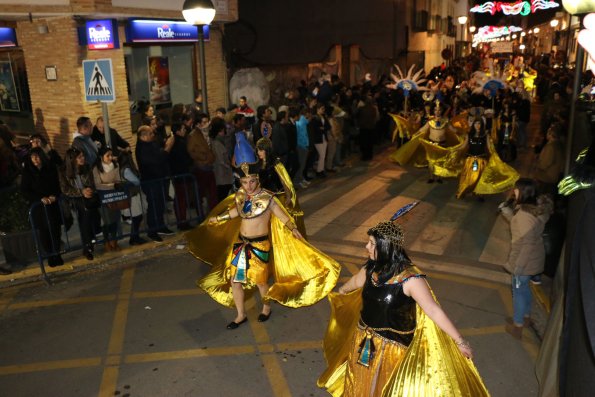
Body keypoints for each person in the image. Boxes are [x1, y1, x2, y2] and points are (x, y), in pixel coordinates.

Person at [318, 218, 489, 396]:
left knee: (383, 385)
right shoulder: (372, 267)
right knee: (361, 379)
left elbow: (433, 310)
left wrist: (459, 341)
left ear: (386, 247)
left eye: (371, 243)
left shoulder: (410, 279)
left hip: (393, 349)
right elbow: (357, 281)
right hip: (364, 339)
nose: (366, 247)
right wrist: (343, 290)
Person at [187, 133, 340, 329]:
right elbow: (237, 212)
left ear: (257, 179)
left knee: (260, 283)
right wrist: (220, 218)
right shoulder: (241, 196)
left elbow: (283, 216)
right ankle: (240, 314)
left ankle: (266, 307)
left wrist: (293, 229)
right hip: (241, 244)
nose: (248, 186)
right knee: (235, 280)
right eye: (244, 182)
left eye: (251, 181)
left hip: (259, 246)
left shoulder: (268, 198)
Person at [499, 178, 553, 339]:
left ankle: (517, 326)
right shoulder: (534, 209)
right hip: (535, 258)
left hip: (524, 262)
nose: (513, 191)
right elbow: (525, 229)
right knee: (525, 289)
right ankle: (526, 317)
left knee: (518, 292)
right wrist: (509, 214)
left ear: (522, 191)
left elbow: (526, 243)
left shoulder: (524, 214)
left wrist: (518, 267)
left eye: (516, 189)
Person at [456, 113, 519, 200]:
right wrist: (454, 150)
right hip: (470, 160)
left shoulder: (485, 135)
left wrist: (495, 157)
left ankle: (479, 194)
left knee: (480, 178)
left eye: (479, 124)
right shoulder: (469, 135)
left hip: (481, 160)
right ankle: (466, 191)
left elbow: (490, 148)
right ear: (473, 124)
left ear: (482, 125)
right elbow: (464, 145)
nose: (478, 125)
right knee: (468, 178)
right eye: (476, 123)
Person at [21, 147, 63, 267]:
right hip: (38, 207)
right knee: (44, 232)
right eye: (32, 156)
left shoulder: (50, 168)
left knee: (55, 230)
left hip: (52, 204)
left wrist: (54, 195)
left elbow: (57, 185)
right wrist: (39, 198)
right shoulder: (28, 171)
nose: (35, 159)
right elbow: (25, 190)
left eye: (37, 156)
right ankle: (50, 255)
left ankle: (57, 253)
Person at [255, 137, 306, 236]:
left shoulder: (276, 163)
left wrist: (288, 196)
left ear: (267, 150)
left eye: (261, 150)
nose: (258, 152)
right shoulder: (259, 163)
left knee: (279, 226)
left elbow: (284, 181)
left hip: (276, 198)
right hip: (264, 199)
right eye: (257, 150)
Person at [135, 125, 175, 242]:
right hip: (150, 180)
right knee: (153, 205)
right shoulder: (142, 148)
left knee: (161, 203)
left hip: (159, 178)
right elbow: (156, 160)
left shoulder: (151, 144)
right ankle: (152, 230)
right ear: (144, 136)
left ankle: (161, 225)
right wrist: (168, 148)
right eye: (151, 134)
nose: (153, 136)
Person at [59, 148, 97, 260]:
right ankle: (87, 247)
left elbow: (91, 182)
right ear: (72, 159)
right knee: (84, 221)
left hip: (88, 197)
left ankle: (91, 243)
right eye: (80, 157)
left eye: (83, 156)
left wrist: (89, 190)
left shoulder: (86, 167)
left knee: (92, 219)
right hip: (73, 200)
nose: (83, 158)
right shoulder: (63, 172)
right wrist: (81, 192)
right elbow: (65, 189)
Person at [93, 146, 124, 252]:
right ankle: (107, 242)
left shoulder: (116, 165)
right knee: (107, 221)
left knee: (115, 219)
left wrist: (116, 185)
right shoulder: (96, 168)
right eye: (107, 155)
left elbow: (118, 180)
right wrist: (112, 185)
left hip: (114, 196)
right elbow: (98, 185)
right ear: (101, 157)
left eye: (111, 155)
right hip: (103, 198)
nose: (110, 157)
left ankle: (114, 241)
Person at [118, 151, 147, 246]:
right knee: (137, 217)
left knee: (137, 217)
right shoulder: (126, 169)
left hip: (132, 195)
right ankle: (134, 237)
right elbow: (136, 181)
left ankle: (134, 237)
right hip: (133, 196)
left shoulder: (122, 168)